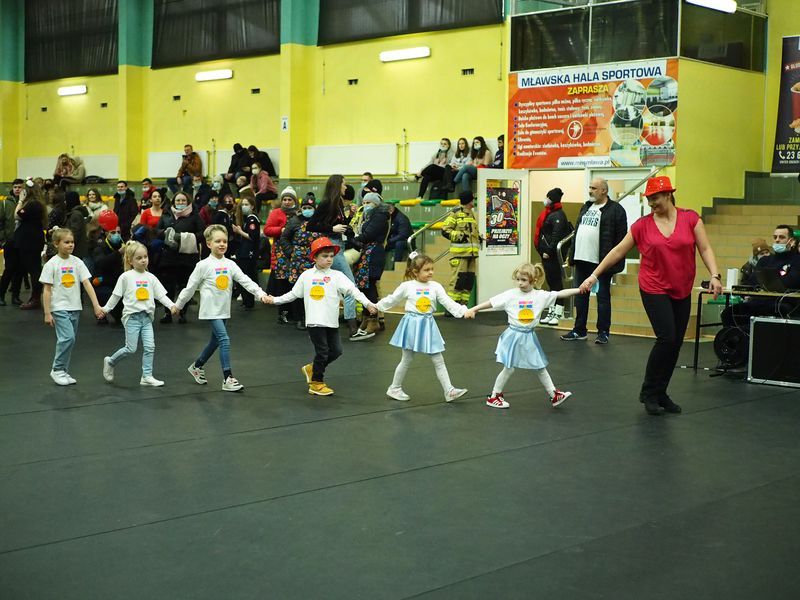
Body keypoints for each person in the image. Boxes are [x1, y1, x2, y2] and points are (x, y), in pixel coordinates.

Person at [578, 176, 723, 416]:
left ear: (668, 195)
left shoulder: (691, 219)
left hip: (681, 286)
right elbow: (618, 251)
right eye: (649, 199)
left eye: (655, 198)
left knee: (676, 342)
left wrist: (715, 275)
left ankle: (661, 392)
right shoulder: (642, 226)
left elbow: (705, 248)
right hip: (653, 286)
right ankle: (649, 392)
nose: (652, 203)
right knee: (667, 337)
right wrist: (594, 275)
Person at [267, 237, 377, 396]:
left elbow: (354, 291)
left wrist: (367, 303)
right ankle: (316, 383)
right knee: (323, 352)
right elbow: (293, 294)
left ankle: (312, 369)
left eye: (331, 256)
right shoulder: (306, 276)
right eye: (325, 256)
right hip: (315, 322)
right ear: (315, 257)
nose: (329, 259)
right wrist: (275, 300)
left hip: (331, 322)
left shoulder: (337, 276)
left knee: (336, 351)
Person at [465, 263, 582, 409]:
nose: (520, 283)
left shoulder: (540, 296)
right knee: (509, 368)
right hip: (513, 336)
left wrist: (580, 289)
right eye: (518, 279)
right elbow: (491, 302)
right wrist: (474, 309)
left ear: (533, 280)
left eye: (524, 280)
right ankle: (494, 396)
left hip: (528, 336)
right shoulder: (511, 295)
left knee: (539, 366)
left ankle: (554, 395)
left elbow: (560, 293)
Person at [179, 225, 270, 392]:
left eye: (225, 241)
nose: (222, 244)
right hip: (210, 310)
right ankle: (228, 378)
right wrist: (178, 305)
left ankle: (197, 366)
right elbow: (190, 288)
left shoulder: (230, 264)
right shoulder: (203, 265)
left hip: (223, 309)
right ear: (208, 244)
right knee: (224, 340)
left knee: (215, 341)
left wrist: (260, 294)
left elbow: (245, 280)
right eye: (217, 241)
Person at [374, 254, 471, 403]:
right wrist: (376, 306)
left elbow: (448, 302)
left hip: (428, 324)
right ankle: (394, 388)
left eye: (432, 269)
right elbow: (392, 299)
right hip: (411, 324)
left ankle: (449, 391)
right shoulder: (407, 286)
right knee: (406, 359)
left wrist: (463, 311)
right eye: (426, 270)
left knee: (438, 359)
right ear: (415, 272)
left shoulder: (435, 286)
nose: (431, 272)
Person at [101, 241, 178, 387]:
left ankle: (146, 376)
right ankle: (110, 361)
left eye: (145, 257)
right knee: (131, 349)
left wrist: (171, 306)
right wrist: (105, 309)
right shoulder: (125, 277)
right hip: (132, 318)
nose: (143, 260)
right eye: (139, 258)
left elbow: (161, 295)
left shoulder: (151, 277)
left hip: (146, 318)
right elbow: (116, 296)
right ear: (130, 261)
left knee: (150, 347)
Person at [562, 177, 628, 344]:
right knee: (580, 296)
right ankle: (579, 330)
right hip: (581, 259)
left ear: (604, 190)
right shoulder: (586, 207)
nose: (590, 191)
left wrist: (613, 262)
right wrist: (571, 254)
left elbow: (621, 239)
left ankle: (603, 332)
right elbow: (577, 232)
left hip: (601, 263)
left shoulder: (616, 210)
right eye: (590, 187)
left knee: (602, 298)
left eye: (594, 188)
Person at [40, 228, 104, 385]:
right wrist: (47, 312)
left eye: (72, 242)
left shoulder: (77, 262)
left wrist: (96, 305)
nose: (70, 245)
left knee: (70, 340)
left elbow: (87, 284)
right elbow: (47, 290)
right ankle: (57, 369)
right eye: (66, 242)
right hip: (58, 307)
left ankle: (64, 370)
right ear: (56, 244)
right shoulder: (51, 264)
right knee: (67, 338)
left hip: (75, 307)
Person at [306, 175, 360, 335]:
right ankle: (353, 329)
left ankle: (332, 322)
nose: (346, 187)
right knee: (350, 287)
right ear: (337, 186)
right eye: (344, 184)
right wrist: (331, 229)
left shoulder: (338, 204)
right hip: (332, 246)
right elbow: (311, 225)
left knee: (336, 287)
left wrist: (350, 217)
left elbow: (341, 227)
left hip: (338, 245)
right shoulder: (327, 203)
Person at [721, 225, 800, 328]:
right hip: (759, 302)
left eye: (781, 237)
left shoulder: (797, 260)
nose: (777, 240)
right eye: (775, 237)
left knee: (776, 312)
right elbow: (751, 282)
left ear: (791, 241)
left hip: (782, 303)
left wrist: (769, 280)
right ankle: (739, 337)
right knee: (728, 313)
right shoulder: (765, 260)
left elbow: (792, 281)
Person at [156, 191, 204, 324]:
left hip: (187, 257)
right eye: (178, 200)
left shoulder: (195, 216)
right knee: (168, 286)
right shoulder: (166, 215)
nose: (180, 203)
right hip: (169, 257)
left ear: (188, 202)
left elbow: (202, 233)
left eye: (183, 200)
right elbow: (157, 231)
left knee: (185, 286)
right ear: (173, 202)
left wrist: (183, 238)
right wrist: (165, 233)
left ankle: (183, 313)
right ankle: (168, 313)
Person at [350, 192, 391, 341]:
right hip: (368, 252)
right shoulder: (371, 216)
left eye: (369, 203)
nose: (365, 205)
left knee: (370, 287)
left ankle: (373, 320)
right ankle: (367, 318)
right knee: (365, 287)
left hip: (373, 253)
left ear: (376, 204)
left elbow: (368, 234)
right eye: (364, 203)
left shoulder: (379, 216)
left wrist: (352, 239)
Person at [282, 194, 322, 329]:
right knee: (298, 290)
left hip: (314, 259)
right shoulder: (294, 221)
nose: (307, 210)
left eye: (310, 207)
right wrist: (291, 252)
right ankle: (299, 318)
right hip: (297, 260)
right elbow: (284, 238)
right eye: (304, 207)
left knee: (314, 288)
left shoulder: (319, 221)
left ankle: (313, 317)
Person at [535, 188, 573, 326]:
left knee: (556, 284)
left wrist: (549, 251)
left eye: (548, 197)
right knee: (551, 284)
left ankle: (558, 312)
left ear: (552, 199)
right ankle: (552, 310)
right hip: (547, 254)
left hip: (553, 256)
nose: (545, 199)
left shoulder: (558, 215)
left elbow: (556, 236)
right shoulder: (550, 213)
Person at [263, 186, 297, 321]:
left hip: (296, 253)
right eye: (284, 199)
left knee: (295, 283)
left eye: (289, 199)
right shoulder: (276, 213)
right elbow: (267, 230)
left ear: (294, 200)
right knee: (282, 283)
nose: (287, 202)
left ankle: (295, 314)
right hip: (281, 253)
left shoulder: (299, 213)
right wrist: (281, 230)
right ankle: (283, 314)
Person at [442, 191, 480, 305]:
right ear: (469, 201)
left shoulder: (471, 214)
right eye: (472, 199)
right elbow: (445, 230)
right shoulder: (456, 213)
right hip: (460, 255)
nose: (474, 201)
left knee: (468, 283)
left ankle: (463, 306)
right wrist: (459, 236)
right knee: (457, 282)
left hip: (471, 255)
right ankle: (451, 307)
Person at [15, 182, 47, 310]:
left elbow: (17, 215)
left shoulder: (33, 204)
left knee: (34, 270)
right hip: (32, 240)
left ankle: (35, 299)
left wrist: (20, 200)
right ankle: (35, 298)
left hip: (30, 241)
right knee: (34, 269)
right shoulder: (38, 203)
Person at [92, 210, 125, 324]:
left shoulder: (124, 245)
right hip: (103, 281)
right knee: (105, 293)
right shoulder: (100, 247)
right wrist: (118, 253)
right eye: (113, 232)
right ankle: (102, 314)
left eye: (118, 232)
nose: (116, 235)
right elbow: (101, 262)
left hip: (118, 281)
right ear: (106, 233)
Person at [232, 196, 262, 310]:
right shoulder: (247, 219)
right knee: (244, 276)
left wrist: (239, 231)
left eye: (246, 204)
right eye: (243, 205)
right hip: (244, 252)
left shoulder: (252, 219)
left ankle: (249, 301)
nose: (244, 207)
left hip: (249, 253)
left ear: (252, 206)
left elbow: (252, 237)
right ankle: (246, 300)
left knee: (247, 277)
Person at [0, 179, 24, 306]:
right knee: (9, 269)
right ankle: (1, 295)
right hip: (9, 241)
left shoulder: (27, 202)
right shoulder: (5, 203)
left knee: (20, 270)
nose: (17, 189)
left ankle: (16, 296)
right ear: (12, 188)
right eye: (15, 187)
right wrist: (3, 239)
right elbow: (0, 222)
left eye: (20, 187)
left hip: (23, 241)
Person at [64, 191, 90, 262]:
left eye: (66, 200)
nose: (65, 202)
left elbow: (75, 234)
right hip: (76, 250)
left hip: (76, 251)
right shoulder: (75, 213)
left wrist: (66, 243)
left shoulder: (76, 214)